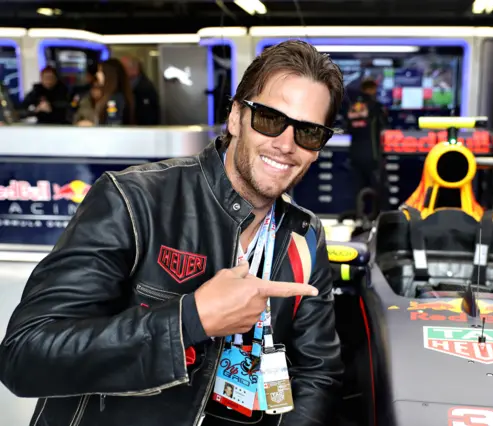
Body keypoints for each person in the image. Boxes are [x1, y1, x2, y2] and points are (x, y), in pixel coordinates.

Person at [0, 39, 344, 426]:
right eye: (269, 118)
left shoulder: (303, 235)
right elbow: (24, 356)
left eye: (309, 132)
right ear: (235, 117)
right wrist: (189, 321)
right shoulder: (133, 200)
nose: (286, 144)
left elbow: (316, 374)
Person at [346, 78, 387, 212]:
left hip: (355, 154)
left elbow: (347, 127)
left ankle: (360, 216)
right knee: (376, 188)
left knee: (358, 188)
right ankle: (375, 216)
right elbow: (384, 124)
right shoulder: (376, 107)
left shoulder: (353, 107)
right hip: (372, 155)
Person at [120, 55, 160, 125]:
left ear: (134, 69)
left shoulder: (145, 89)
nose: (120, 71)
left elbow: (148, 118)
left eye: (123, 68)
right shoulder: (127, 86)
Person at [95, 58, 136, 125]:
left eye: (100, 71)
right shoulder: (115, 96)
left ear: (109, 74)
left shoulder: (114, 99)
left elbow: (112, 124)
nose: (97, 74)